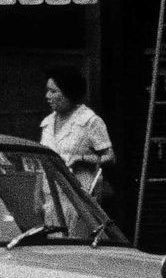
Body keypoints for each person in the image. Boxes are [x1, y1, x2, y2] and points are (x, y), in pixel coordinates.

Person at [38, 68, 115, 206]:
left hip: (79, 197)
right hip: (51, 196)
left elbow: (110, 157)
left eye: (54, 91)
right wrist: (37, 195)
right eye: (47, 91)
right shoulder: (47, 123)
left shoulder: (90, 121)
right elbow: (42, 163)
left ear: (69, 93)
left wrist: (82, 159)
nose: (47, 96)